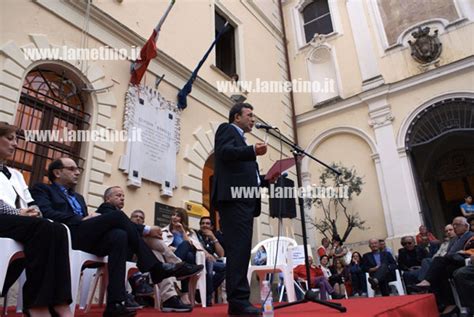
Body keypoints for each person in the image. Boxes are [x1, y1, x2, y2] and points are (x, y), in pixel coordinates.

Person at [31, 158, 201, 317]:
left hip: (87, 238)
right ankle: (156, 268)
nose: (77, 172)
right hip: (65, 235)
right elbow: (47, 213)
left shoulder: (78, 197)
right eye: (72, 169)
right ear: (57, 173)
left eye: (78, 169)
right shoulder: (42, 189)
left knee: (118, 236)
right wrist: (81, 219)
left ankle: (115, 303)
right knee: (119, 217)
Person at [0, 122, 73, 317]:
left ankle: (60, 301)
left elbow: (31, 202)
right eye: (10, 138)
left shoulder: (16, 174)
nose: (15, 144)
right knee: (42, 228)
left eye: (16, 139)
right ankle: (36, 305)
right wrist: (19, 213)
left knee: (57, 229)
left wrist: (33, 211)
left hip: (19, 222)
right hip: (4, 218)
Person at [211, 102, 277, 317]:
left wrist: (267, 180)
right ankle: (238, 301)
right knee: (238, 251)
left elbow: (250, 178)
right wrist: (251, 151)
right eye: (249, 115)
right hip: (234, 199)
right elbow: (224, 152)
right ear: (236, 117)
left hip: (246, 200)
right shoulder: (227, 129)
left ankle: (238, 301)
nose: (253, 119)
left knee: (241, 251)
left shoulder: (243, 142)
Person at [98, 188, 195, 313]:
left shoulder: (122, 218)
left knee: (157, 252)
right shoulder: (106, 211)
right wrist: (148, 230)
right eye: (118, 195)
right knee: (147, 236)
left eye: (123, 196)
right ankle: (177, 266)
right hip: (115, 252)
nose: (122, 198)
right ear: (107, 199)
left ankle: (169, 297)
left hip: (136, 254)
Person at [416, 217, 474, 316]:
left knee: (438, 261)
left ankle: (426, 281)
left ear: (466, 226)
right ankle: (447, 304)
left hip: (463, 259)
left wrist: (463, 252)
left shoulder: (470, 235)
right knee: (439, 271)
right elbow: (448, 253)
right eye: (453, 224)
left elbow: (470, 250)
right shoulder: (454, 239)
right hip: (452, 261)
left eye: (457, 225)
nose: (455, 227)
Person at [161, 208, 204, 305]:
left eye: (178, 215)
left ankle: (184, 291)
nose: (174, 217)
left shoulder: (191, 232)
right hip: (170, 259)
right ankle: (184, 293)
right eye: (173, 215)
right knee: (187, 252)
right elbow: (163, 247)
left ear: (183, 218)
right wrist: (174, 249)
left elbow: (195, 246)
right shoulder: (163, 231)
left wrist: (183, 231)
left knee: (188, 253)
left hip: (184, 260)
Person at [196, 216, 226, 306]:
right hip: (197, 260)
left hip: (210, 262)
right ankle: (208, 297)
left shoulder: (212, 237)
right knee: (210, 265)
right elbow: (196, 246)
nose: (204, 225)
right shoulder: (196, 235)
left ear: (212, 227)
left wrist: (213, 238)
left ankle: (204, 292)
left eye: (207, 223)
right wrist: (207, 255)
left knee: (225, 268)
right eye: (202, 223)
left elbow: (221, 254)